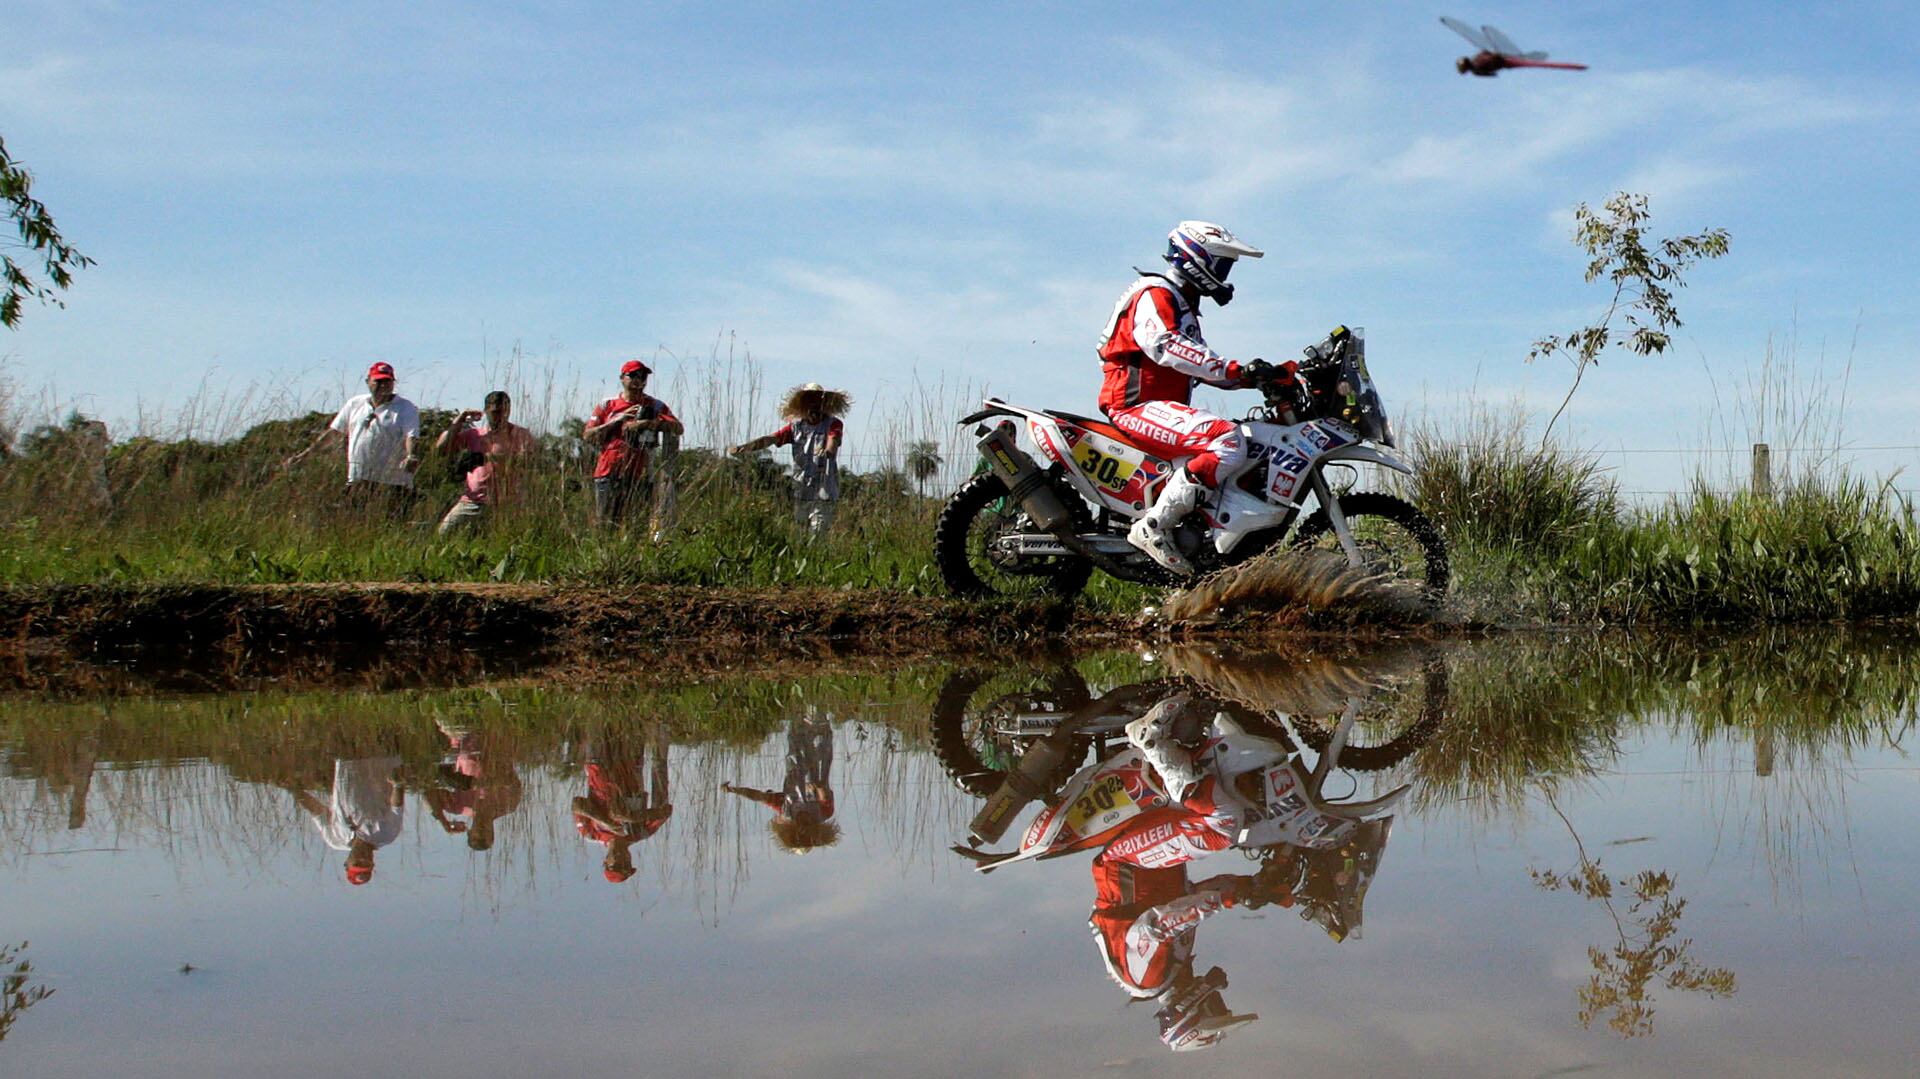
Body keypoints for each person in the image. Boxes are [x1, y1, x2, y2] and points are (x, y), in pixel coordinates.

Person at [1096, 221, 1265, 574]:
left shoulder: (1180, 303)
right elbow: (1167, 345)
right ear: (1197, 258)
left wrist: (1258, 376)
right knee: (1227, 440)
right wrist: (1232, 368)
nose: (1224, 275)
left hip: (1153, 406)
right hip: (1133, 404)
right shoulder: (1156, 292)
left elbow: (1201, 367)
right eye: (1222, 264)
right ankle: (1153, 527)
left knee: (1234, 444)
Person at [283, 361, 423, 514]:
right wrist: (304, 456)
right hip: (359, 480)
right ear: (368, 382)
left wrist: (411, 455)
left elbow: (411, 435)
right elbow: (334, 434)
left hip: (393, 483)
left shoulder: (405, 408)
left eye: (387, 381)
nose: (383, 385)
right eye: (378, 381)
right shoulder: (355, 404)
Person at [726, 383, 847, 537]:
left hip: (825, 487)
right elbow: (771, 439)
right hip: (801, 486)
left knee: (818, 531)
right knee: (800, 530)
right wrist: (744, 448)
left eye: (818, 401)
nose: (814, 406)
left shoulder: (833, 423)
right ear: (803, 405)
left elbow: (833, 440)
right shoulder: (795, 427)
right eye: (810, 401)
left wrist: (828, 451)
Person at [581, 359, 682, 535]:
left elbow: (678, 428)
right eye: (633, 375)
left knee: (638, 527)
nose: (638, 379)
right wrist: (618, 420)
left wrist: (648, 423)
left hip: (640, 475)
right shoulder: (608, 405)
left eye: (643, 376)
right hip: (608, 473)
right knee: (606, 525)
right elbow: (588, 436)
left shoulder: (655, 405)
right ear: (622, 378)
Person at [721, 711, 839, 853]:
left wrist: (735, 790)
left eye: (799, 831)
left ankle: (798, 712)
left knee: (797, 728)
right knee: (819, 727)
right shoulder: (823, 813)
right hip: (818, 762)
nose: (803, 828)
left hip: (797, 759)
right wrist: (818, 788)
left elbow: (761, 797)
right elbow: (824, 794)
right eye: (807, 831)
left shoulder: (787, 809)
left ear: (793, 828)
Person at [572, 724, 673, 884]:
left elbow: (576, 804)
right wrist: (632, 817)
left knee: (595, 716)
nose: (622, 860)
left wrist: (605, 820)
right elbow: (665, 811)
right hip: (631, 759)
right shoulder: (641, 832)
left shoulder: (591, 833)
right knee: (633, 717)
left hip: (596, 762)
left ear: (605, 862)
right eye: (627, 864)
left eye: (617, 865)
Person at [289, 755, 406, 886]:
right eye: (366, 864)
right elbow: (396, 807)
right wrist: (397, 785)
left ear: (347, 863)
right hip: (381, 760)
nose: (363, 859)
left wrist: (295, 791)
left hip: (345, 762)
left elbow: (317, 811)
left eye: (357, 863)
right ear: (372, 863)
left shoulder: (334, 840)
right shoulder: (387, 835)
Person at [433, 390, 535, 535]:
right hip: (473, 500)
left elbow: (527, 461)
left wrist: (487, 457)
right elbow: (441, 448)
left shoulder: (519, 434)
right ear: (486, 411)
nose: (502, 416)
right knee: (443, 533)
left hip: (507, 503)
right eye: (496, 412)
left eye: (505, 411)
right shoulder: (475, 434)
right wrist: (460, 420)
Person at [421, 721, 525, 852]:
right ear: (492, 832)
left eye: (477, 832)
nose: (482, 828)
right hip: (497, 735)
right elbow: (513, 781)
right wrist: (482, 783)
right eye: (485, 832)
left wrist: (443, 821)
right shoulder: (508, 806)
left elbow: (428, 793)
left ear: (470, 831)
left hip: (462, 734)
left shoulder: (458, 807)